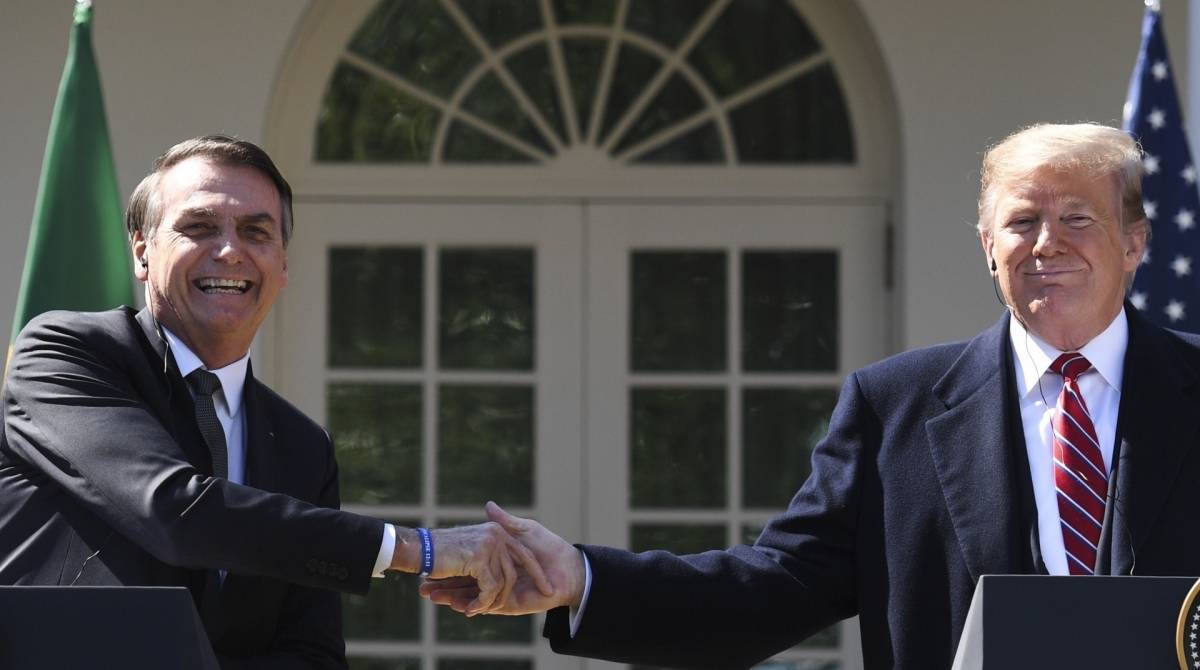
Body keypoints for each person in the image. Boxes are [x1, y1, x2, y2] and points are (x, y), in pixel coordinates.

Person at [422, 123, 1200, 669]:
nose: (1046, 243)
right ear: (987, 246)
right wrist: (581, 579)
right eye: (1022, 221)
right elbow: (774, 588)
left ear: (1134, 242)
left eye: (1077, 219)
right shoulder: (895, 407)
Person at [0, 135, 548, 669]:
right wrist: (417, 549)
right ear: (142, 251)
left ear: (283, 265)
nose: (229, 251)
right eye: (199, 227)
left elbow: (313, 655)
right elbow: (173, 510)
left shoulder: (302, 446)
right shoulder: (64, 353)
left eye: (256, 232)